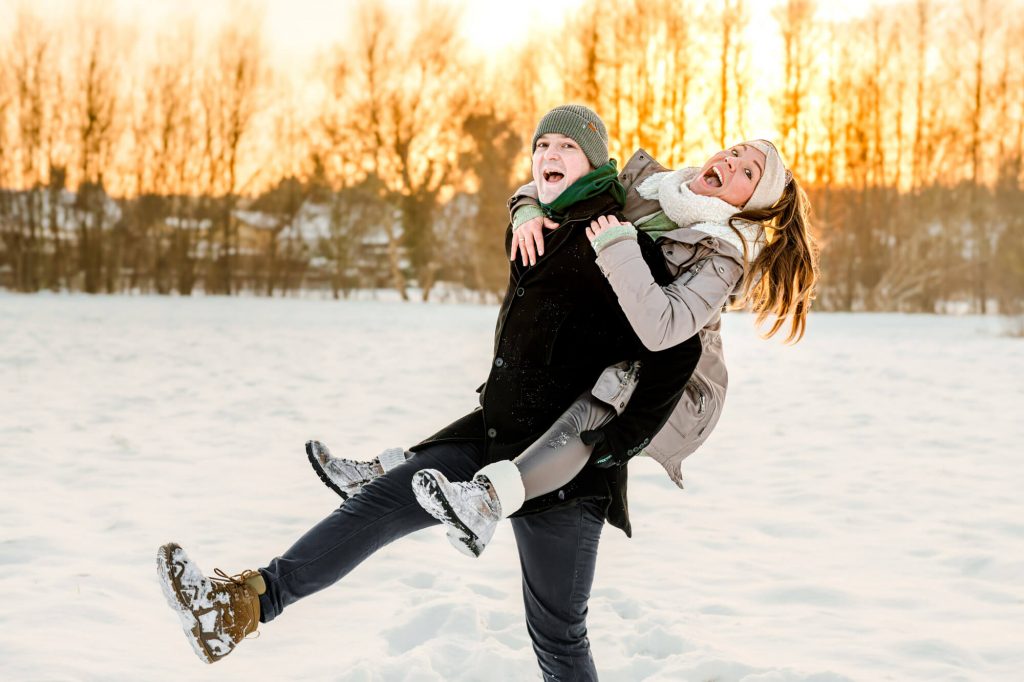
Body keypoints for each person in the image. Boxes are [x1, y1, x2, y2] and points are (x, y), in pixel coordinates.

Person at [156, 104, 702, 679]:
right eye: (541, 146)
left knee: (558, 635)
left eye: (566, 147)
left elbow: (678, 349)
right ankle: (240, 607)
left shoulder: (616, 241)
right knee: (373, 507)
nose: (549, 155)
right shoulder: (539, 227)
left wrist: (618, 443)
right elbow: (528, 205)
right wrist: (523, 211)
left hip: (564, 469)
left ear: (595, 163)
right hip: (491, 434)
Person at [308, 137, 819, 557]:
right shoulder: (650, 186)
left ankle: (487, 503)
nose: (731, 162)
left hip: (653, 373)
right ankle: (387, 472)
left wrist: (618, 247)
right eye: (735, 151)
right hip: (590, 337)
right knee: (506, 405)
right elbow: (561, 186)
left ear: (751, 204)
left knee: (591, 405)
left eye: (748, 172)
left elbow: (664, 330)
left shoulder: (723, 254)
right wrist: (527, 209)